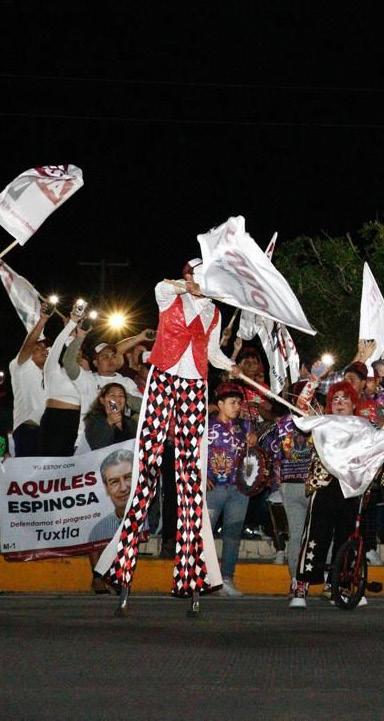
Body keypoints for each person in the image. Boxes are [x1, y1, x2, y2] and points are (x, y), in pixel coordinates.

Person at [95, 258, 239, 617]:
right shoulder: (169, 295)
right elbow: (162, 284)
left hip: (194, 386)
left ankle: (191, 574)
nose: (202, 282)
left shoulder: (215, 313)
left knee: (190, 478)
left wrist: (230, 366)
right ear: (188, 275)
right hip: (163, 380)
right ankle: (121, 568)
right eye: (197, 275)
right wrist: (188, 285)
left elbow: (212, 353)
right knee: (146, 472)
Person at [289, 381, 368, 608]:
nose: (340, 403)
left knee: (347, 537)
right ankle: (301, 587)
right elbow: (300, 408)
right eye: (335, 399)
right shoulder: (321, 421)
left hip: (351, 488)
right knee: (315, 536)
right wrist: (313, 381)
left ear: (354, 403)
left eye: (345, 398)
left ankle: (340, 587)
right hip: (324, 485)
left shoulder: (364, 427)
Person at [260, 386, 314, 586]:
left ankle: (295, 580)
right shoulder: (318, 421)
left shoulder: (280, 424)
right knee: (318, 533)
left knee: (296, 534)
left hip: (289, 484)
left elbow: (267, 449)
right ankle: (320, 577)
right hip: (311, 484)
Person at [206, 382, 256, 597]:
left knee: (233, 535)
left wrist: (253, 441)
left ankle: (226, 578)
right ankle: (204, 577)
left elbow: (254, 456)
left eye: (238, 403)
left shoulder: (245, 427)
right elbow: (193, 452)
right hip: (213, 489)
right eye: (232, 402)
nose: (237, 407)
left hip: (239, 489)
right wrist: (201, 475)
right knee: (205, 534)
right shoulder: (206, 426)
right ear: (220, 404)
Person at [39, 311, 86, 456]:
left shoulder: (84, 376)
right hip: (55, 418)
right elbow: (58, 345)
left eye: (80, 353)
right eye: (74, 352)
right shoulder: (52, 369)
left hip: (75, 420)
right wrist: (71, 323)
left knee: (68, 462)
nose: (77, 355)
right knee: (50, 461)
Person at [87, 448, 135, 593]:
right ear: (106, 488)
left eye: (128, 477)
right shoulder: (98, 529)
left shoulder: (148, 521)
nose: (123, 488)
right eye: (114, 482)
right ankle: (103, 579)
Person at [9, 304, 50, 457]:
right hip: (28, 431)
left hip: (49, 433)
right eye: (38, 348)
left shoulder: (51, 375)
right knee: (27, 471)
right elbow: (28, 344)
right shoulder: (20, 366)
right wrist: (42, 320)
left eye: (45, 348)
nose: (44, 350)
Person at [83, 383, 136, 450]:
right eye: (112, 395)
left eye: (121, 395)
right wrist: (109, 422)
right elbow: (97, 446)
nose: (117, 398)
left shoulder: (130, 422)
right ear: (102, 400)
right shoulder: (93, 419)